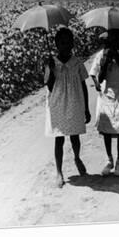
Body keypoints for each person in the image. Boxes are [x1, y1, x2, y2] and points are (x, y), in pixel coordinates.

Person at [44, 27, 91, 188]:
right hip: (57, 103)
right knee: (59, 138)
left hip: (75, 102)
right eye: (62, 42)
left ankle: (77, 157)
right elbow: (49, 86)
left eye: (68, 42)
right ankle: (59, 171)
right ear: (56, 44)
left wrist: (86, 108)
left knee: (75, 135)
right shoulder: (51, 63)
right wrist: (50, 69)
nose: (65, 45)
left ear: (72, 44)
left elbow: (84, 84)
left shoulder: (77, 62)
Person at [90, 29, 119, 176]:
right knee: (106, 129)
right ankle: (109, 159)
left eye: (117, 39)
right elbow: (100, 78)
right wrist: (106, 62)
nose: (114, 42)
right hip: (106, 96)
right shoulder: (102, 55)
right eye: (111, 39)